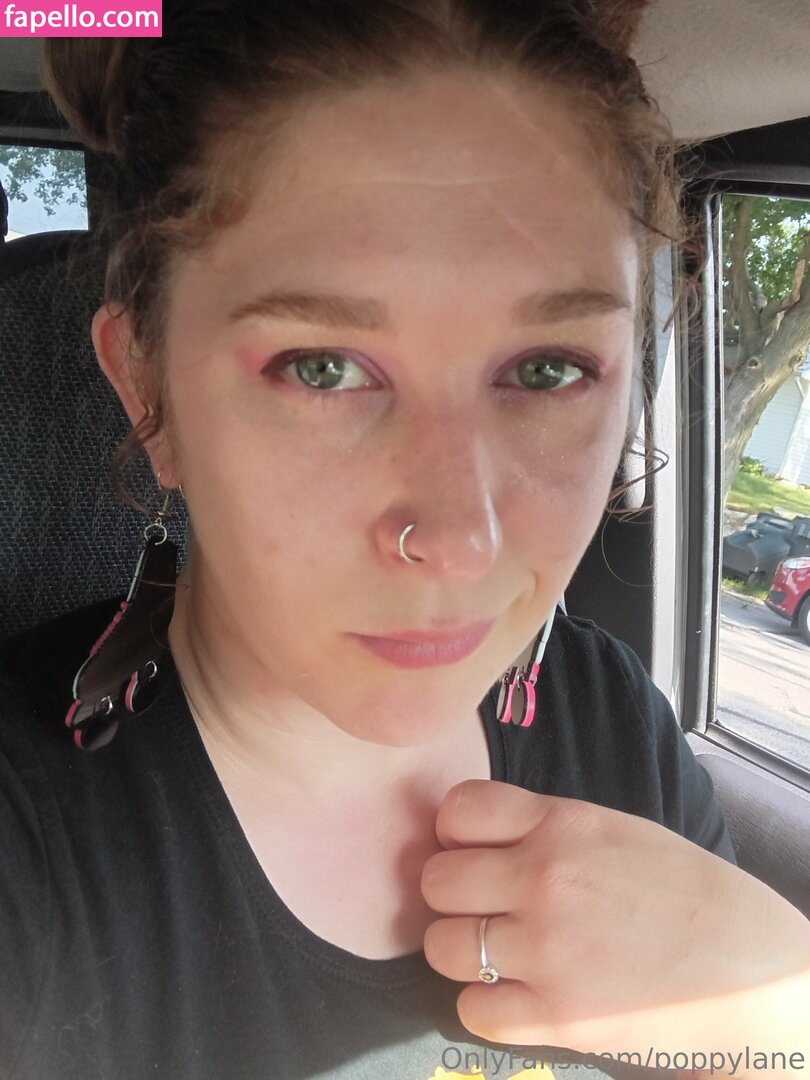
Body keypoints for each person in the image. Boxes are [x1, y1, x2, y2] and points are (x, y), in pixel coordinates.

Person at [1, 2, 808, 1078]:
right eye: (323, 368)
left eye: (548, 370)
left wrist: (776, 1016)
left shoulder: (608, 711)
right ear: (148, 391)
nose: (461, 542)